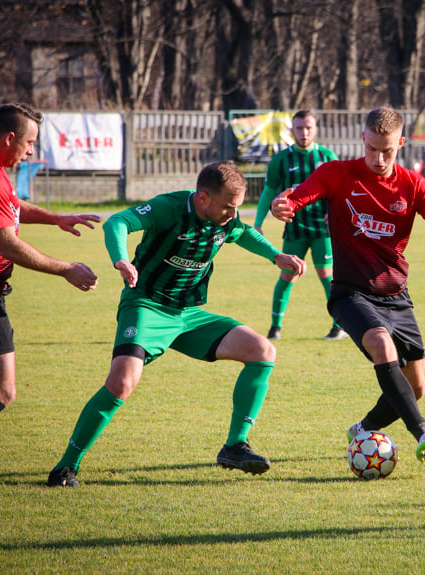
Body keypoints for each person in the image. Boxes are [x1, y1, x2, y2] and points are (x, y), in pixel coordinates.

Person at [47, 162, 307, 487]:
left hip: (188, 314)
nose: (232, 214)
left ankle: (234, 446)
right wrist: (121, 259)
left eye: (236, 207)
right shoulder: (168, 207)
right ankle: (65, 467)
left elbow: (243, 232)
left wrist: (275, 255)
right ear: (202, 199)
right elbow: (118, 222)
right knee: (122, 383)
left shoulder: (227, 218)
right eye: (227, 206)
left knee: (262, 350)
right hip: (146, 306)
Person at [270, 106, 425, 473]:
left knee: (416, 388)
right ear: (363, 138)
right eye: (373, 148)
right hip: (349, 293)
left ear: (402, 144)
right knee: (380, 343)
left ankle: (362, 430)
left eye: (388, 151)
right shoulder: (337, 173)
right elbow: (298, 197)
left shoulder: (413, 186)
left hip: (397, 296)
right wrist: (282, 206)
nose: (378, 158)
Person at [0, 103, 100, 496]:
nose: (30, 152)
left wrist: (55, 218)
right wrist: (66, 269)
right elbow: (8, 245)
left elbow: (10, 207)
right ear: (9, 137)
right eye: (28, 143)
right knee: (0, 390)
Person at [254, 110, 344, 342]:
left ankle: (338, 326)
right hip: (294, 227)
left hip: (322, 229)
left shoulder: (327, 156)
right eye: (299, 128)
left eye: (308, 128)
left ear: (316, 129)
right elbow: (268, 191)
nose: (304, 132)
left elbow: (341, 192)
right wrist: (258, 222)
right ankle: (275, 327)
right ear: (291, 130)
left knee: (327, 275)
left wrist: (340, 217)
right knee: (287, 273)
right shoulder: (281, 160)